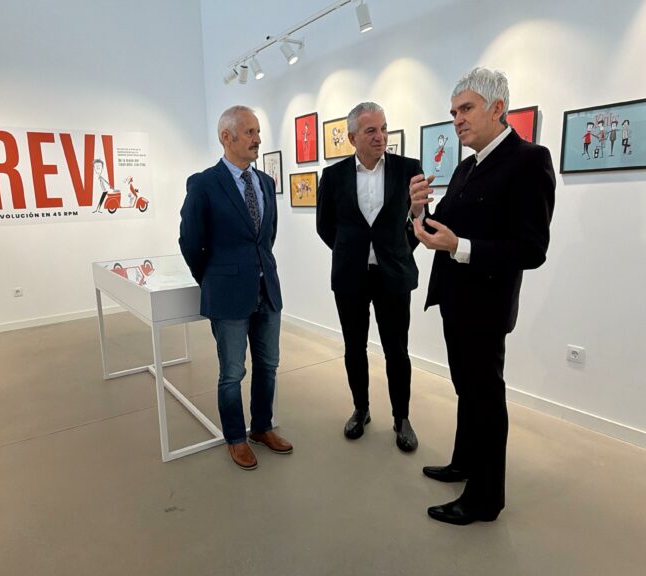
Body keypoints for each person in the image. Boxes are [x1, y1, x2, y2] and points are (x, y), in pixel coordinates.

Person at [409, 67, 555, 525]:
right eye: (453, 112)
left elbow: (532, 249)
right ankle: (464, 463)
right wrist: (418, 210)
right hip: (456, 299)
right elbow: (447, 229)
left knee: (485, 396)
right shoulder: (467, 165)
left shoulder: (529, 159)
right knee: (467, 391)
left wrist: (459, 247)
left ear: (497, 108)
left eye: (466, 109)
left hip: (487, 305)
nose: (457, 120)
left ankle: (486, 499)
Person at [179, 105, 292, 471]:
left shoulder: (266, 182)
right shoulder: (204, 183)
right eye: (249, 132)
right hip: (227, 292)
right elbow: (190, 240)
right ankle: (235, 437)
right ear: (225, 137)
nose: (257, 139)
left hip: (266, 289)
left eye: (258, 132)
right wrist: (211, 276)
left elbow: (266, 237)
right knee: (232, 372)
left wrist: (260, 269)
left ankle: (261, 427)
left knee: (269, 365)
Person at [316, 102, 424, 452]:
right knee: (354, 347)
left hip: (393, 274)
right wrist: (353, 251)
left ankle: (401, 417)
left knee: (397, 350)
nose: (381, 137)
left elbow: (419, 222)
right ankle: (360, 408)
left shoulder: (409, 169)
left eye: (383, 128)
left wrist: (397, 249)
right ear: (352, 138)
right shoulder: (333, 177)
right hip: (351, 276)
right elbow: (325, 226)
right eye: (371, 131)